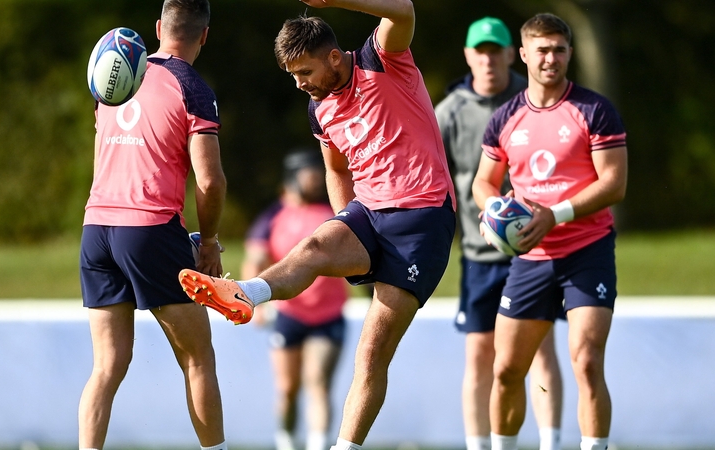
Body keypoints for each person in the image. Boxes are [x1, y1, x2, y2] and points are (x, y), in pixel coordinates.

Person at [179, 0, 456, 448]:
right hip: (368, 213)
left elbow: (403, 10)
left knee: (370, 355)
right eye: (292, 76)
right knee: (312, 246)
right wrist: (347, 225)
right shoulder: (319, 110)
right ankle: (244, 293)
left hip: (422, 219)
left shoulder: (381, 59)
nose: (299, 84)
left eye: (304, 72)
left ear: (332, 57)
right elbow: (337, 170)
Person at [472, 13, 627, 450]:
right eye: (542, 49)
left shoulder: (594, 110)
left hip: (587, 249)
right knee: (506, 370)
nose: (551, 58)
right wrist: (492, 212)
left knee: (586, 361)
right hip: (531, 258)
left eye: (559, 49)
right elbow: (483, 183)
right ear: (522, 54)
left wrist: (553, 215)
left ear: (570, 54)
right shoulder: (505, 118)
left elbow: (614, 182)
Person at [77, 1, 229, 449]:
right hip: (149, 229)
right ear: (204, 36)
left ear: (159, 28)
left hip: (96, 228)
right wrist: (211, 240)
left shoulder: (111, 75)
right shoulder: (192, 86)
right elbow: (210, 180)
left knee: (107, 365)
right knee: (198, 358)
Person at [434, 17, 564, 450]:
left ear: (513, 55)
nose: (488, 59)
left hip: (538, 252)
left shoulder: (538, 102)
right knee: (479, 356)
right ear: (469, 56)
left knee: (540, 351)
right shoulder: (449, 112)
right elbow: (435, 180)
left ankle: (552, 443)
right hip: (478, 253)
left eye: (496, 50)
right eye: (480, 50)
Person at [242, 150, 349, 450]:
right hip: (289, 315)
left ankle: (317, 444)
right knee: (288, 388)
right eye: (309, 174)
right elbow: (255, 258)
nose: (315, 180)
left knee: (318, 382)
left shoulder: (332, 213)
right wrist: (256, 301)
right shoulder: (274, 216)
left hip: (328, 314)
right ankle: (286, 441)